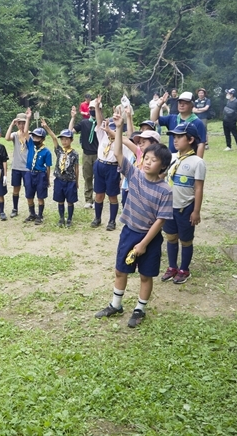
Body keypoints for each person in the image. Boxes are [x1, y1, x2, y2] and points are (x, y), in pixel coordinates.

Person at [95, 111, 172, 328]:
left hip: (150, 238)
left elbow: (160, 221)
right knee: (121, 269)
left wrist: (143, 244)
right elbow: (118, 153)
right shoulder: (135, 175)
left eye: (153, 160)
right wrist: (118, 128)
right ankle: (116, 304)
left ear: (162, 166)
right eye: (145, 158)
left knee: (146, 276)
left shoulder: (165, 191)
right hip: (129, 232)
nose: (147, 162)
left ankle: (140, 309)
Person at [161, 123, 206, 285]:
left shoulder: (197, 162)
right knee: (171, 237)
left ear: (190, 139)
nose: (175, 140)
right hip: (168, 207)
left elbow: (198, 188)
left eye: (179, 137)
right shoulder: (172, 157)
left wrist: (196, 211)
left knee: (186, 240)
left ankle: (184, 269)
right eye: (174, 136)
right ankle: (172, 267)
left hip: (185, 208)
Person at [91, 97, 132, 231]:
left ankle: (112, 221)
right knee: (98, 194)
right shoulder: (102, 136)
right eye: (109, 129)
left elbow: (130, 136)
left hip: (112, 168)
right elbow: (99, 121)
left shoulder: (121, 141)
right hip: (100, 165)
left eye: (113, 129)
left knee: (112, 195)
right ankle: (97, 218)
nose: (109, 132)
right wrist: (97, 107)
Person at [42, 120, 79, 228]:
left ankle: (70, 219)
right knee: (60, 201)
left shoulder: (75, 153)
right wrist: (46, 127)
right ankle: (61, 218)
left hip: (70, 181)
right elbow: (54, 138)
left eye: (66, 139)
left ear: (71, 140)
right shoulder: (58, 150)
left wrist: (76, 182)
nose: (64, 141)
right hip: (59, 179)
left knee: (70, 201)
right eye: (62, 139)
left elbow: (76, 168)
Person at [151, 91, 207, 157]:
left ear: (192, 105)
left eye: (185, 103)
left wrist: (198, 162)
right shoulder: (172, 118)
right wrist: (159, 104)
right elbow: (154, 119)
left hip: (189, 159)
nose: (181, 105)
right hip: (172, 158)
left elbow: (201, 144)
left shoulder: (197, 122)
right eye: (180, 103)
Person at [69, 98, 102, 208]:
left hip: (99, 154)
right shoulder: (84, 123)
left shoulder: (103, 123)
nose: (92, 110)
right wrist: (73, 118)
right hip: (87, 154)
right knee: (87, 177)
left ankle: (98, 198)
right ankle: (88, 200)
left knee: (99, 178)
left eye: (95, 108)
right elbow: (70, 132)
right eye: (91, 108)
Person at [120, 130, 161, 207]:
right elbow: (125, 140)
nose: (140, 145)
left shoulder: (159, 160)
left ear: (154, 143)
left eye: (143, 142)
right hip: (132, 190)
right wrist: (110, 131)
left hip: (146, 194)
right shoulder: (140, 153)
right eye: (139, 142)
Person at [22, 126, 52, 225]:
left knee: (40, 196)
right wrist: (28, 118)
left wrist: (47, 179)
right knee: (29, 196)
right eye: (34, 137)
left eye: (38, 137)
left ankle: (40, 215)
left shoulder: (46, 152)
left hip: (40, 175)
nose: (35, 139)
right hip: (29, 173)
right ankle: (32, 214)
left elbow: (48, 167)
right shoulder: (31, 145)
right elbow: (25, 132)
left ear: (43, 139)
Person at [4, 110, 31, 217]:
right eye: (19, 123)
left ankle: (31, 210)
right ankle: (15, 208)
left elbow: (25, 132)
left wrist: (28, 118)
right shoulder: (15, 135)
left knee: (28, 189)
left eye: (23, 123)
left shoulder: (29, 134)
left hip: (27, 167)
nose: (21, 125)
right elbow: (6, 138)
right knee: (16, 188)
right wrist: (12, 123)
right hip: (16, 166)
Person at [222, 88, 237, 153]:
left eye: (228, 93)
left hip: (232, 120)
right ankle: (228, 146)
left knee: (235, 134)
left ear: (232, 94)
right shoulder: (228, 101)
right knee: (226, 133)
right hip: (225, 119)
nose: (227, 94)